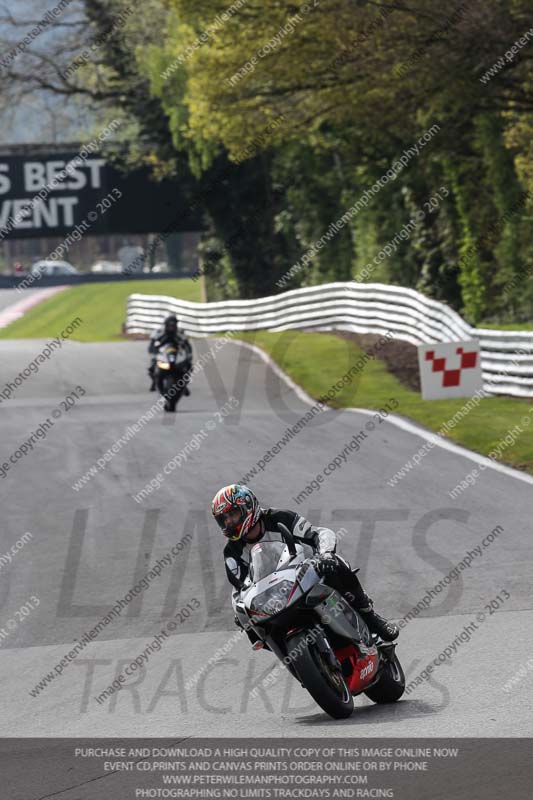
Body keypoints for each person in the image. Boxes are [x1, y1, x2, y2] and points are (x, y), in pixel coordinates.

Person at [211, 484, 399, 648]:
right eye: (223, 519)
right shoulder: (232, 553)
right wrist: (240, 610)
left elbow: (319, 534)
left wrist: (325, 554)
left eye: (232, 514)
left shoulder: (280, 518)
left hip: (308, 575)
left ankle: (372, 618)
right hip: (273, 598)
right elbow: (239, 589)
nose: (228, 522)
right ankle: (300, 666)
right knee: (253, 628)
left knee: (338, 564)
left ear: (248, 506)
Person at [148, 314, 192, 393]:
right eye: (170, 325)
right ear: (166, 324)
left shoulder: (180, 332)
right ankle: (154, 382)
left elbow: (187, 345)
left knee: (188, 365)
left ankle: (184, 384)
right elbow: (152, 344)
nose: (171, 327)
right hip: (163, 353)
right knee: (152, 365)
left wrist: (189, 355)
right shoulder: (160, 332)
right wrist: (154, 351)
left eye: (173, 325)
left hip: (177, 352)